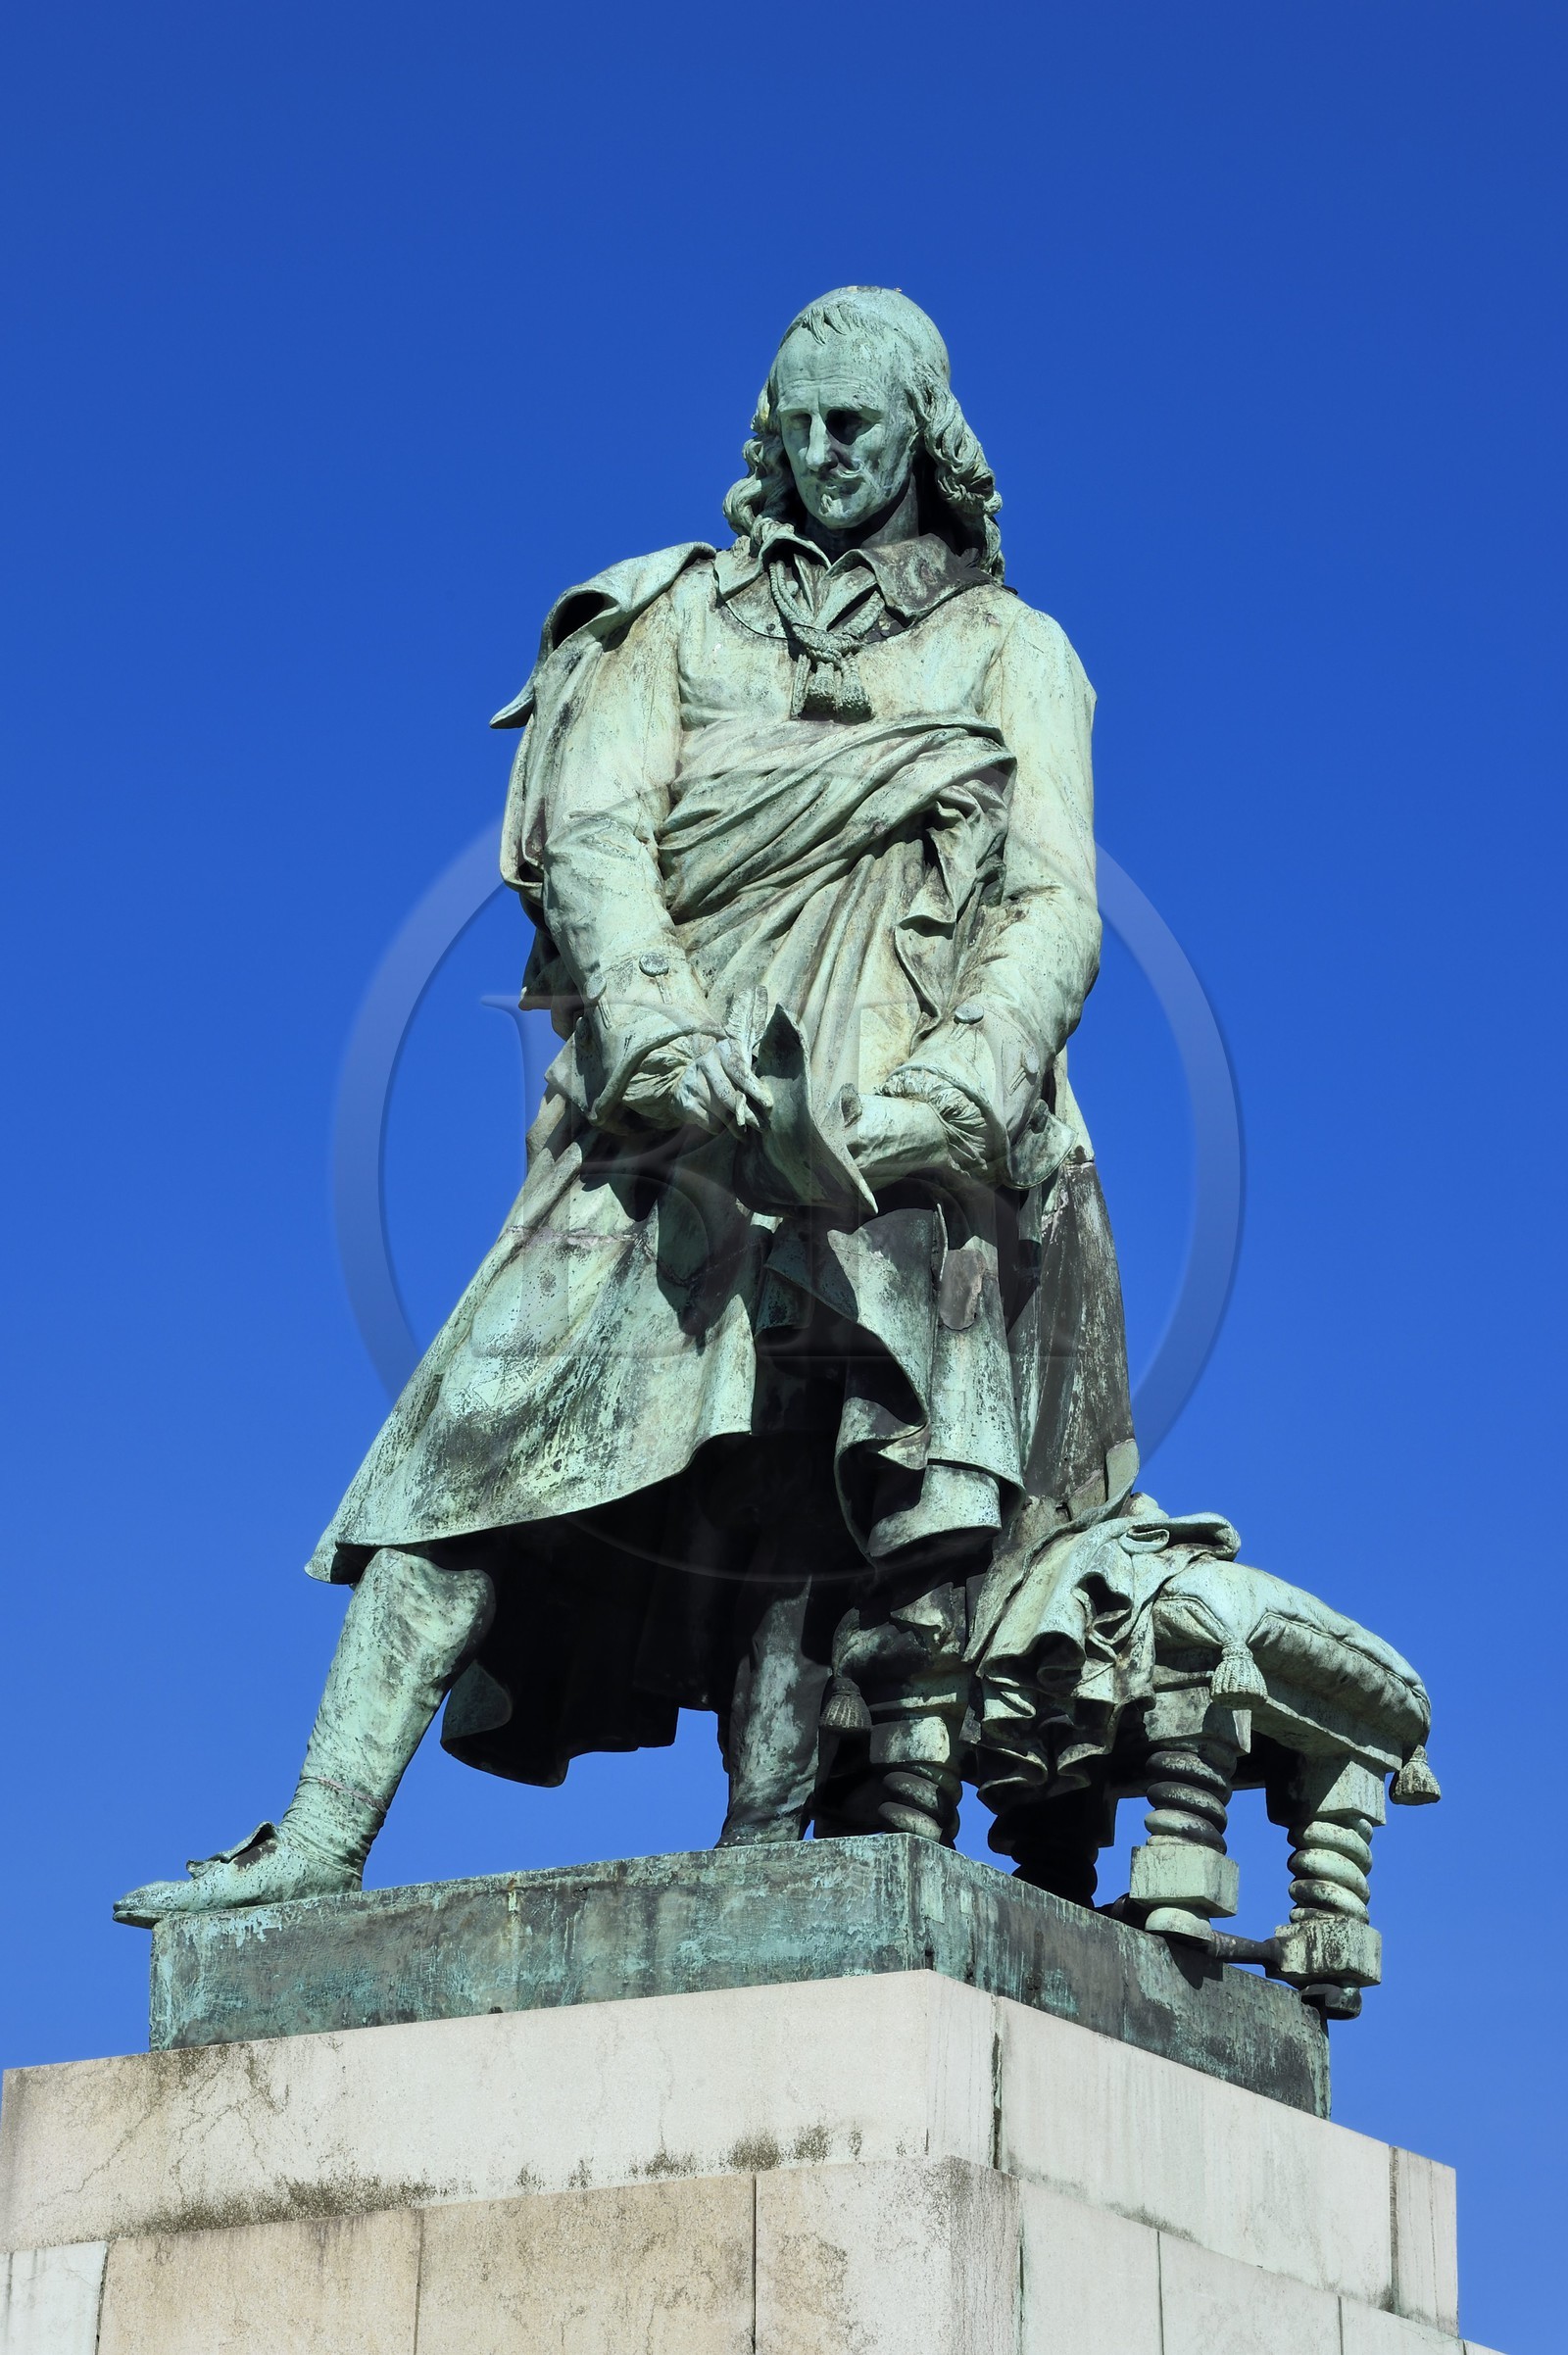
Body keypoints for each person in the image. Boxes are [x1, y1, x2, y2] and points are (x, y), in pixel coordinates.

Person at [116, 286, 1135, 1927]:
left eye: (856, 424)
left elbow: (1054, 904)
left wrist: (964, 1080)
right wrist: (658, 1043)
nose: (823, 455)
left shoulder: (1015, 653)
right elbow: (597, 845)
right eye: (795, 424)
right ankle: (317, 1831)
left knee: (808, 1471)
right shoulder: (672, 624)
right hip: (664, 1111)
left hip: (889, 1106)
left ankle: (762, 1857)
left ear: (927, 436)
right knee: (463, 1436)